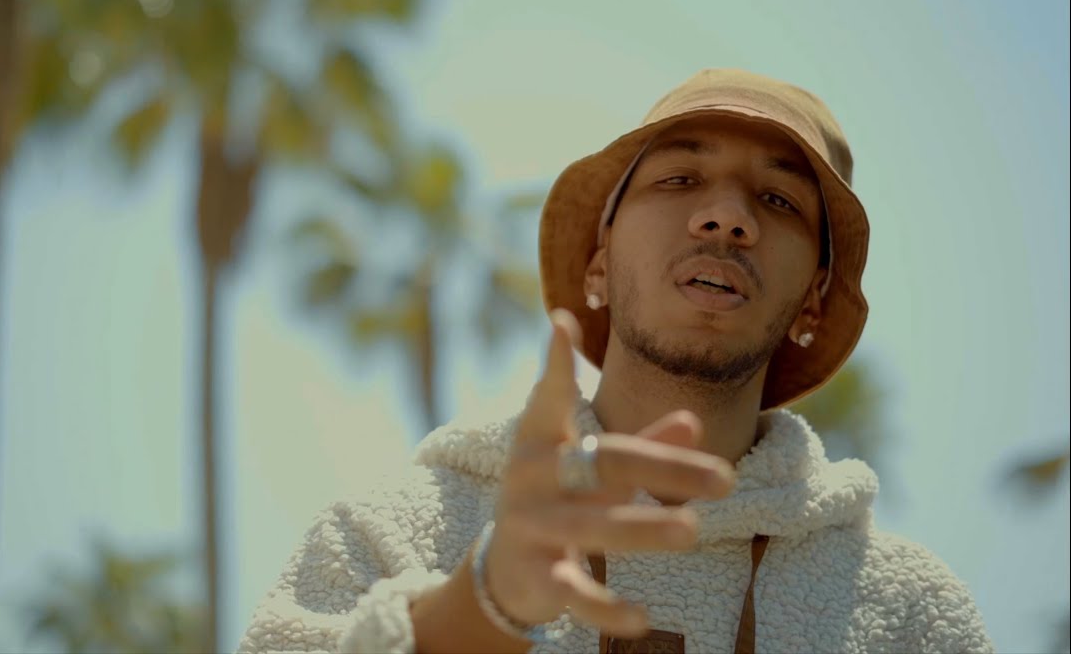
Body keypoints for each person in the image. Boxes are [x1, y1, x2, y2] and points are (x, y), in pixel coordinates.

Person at [237, 69, 994, 653]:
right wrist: (482, 605)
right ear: (598, 261)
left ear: (813, 305)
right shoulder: (397, 530)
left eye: (779, 201)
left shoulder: (910, 613)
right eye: (680, 180)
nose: (727, 218)